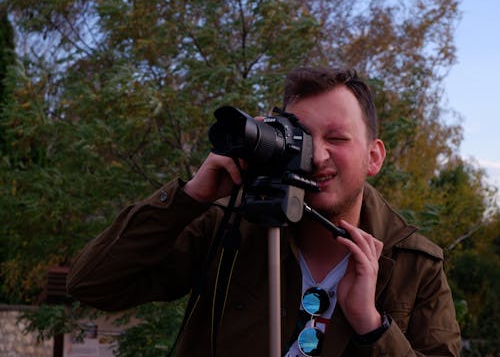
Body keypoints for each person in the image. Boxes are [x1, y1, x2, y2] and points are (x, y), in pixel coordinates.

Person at [67, 67, 461, 356]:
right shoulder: (232, 228)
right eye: (303, 138)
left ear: (373, 157)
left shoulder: (415, 265)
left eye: (337, 138)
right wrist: (190, 197)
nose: (318, 155)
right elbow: (91, 284)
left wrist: (371, 326)